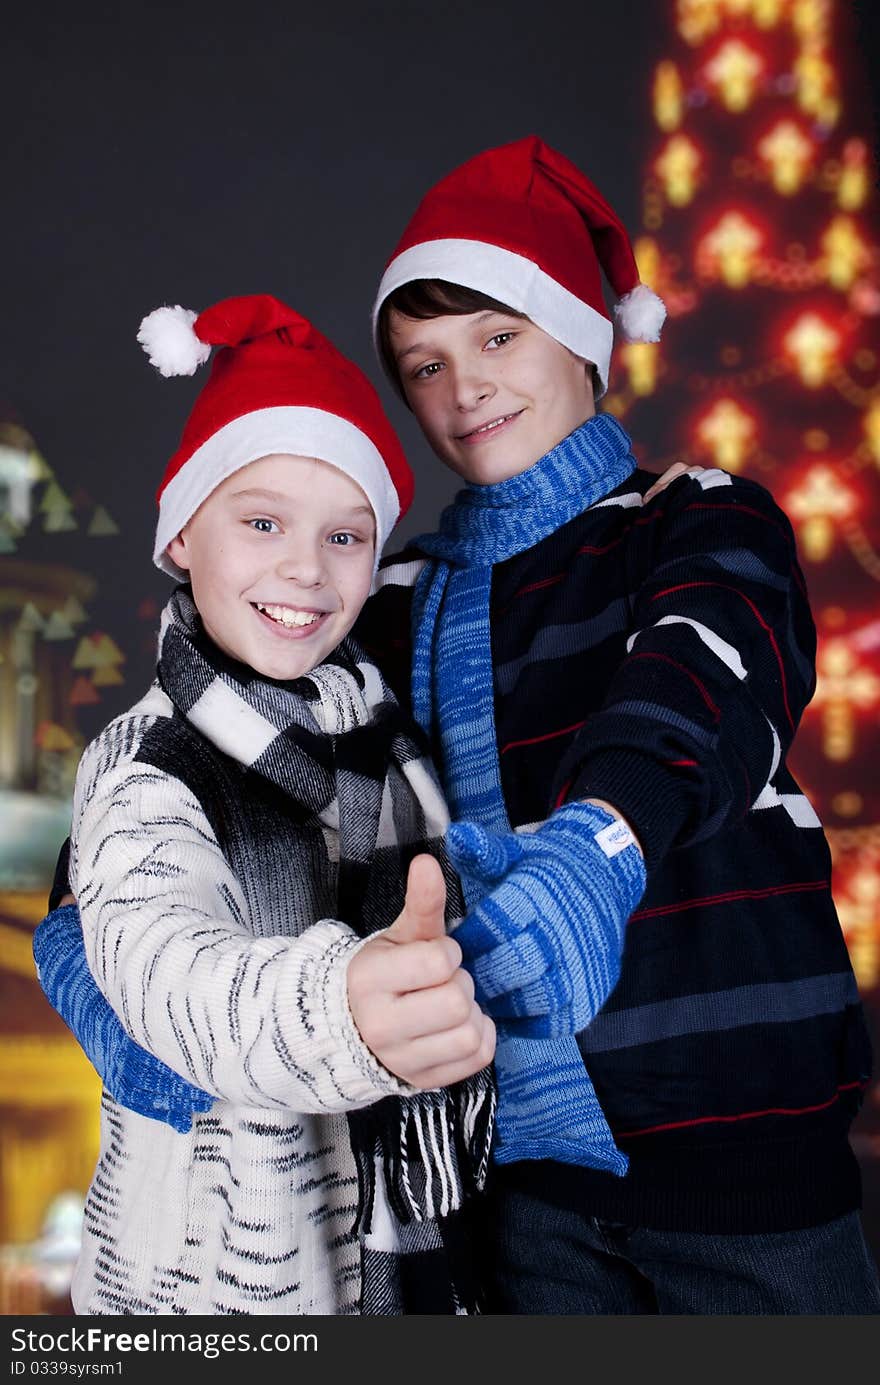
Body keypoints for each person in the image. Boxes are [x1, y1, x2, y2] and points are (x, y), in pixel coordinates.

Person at [37, 135, 880, 1314]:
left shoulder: (696, 518)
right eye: (422, 363)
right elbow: (184, 775)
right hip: (499, 1186)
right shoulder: (383, 600)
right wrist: (99, 981)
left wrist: (597, 850)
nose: (464, 386)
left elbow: (702, 680)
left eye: (498, 337)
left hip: (737, 1160)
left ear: (583, 336)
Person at [32, 292, 496, 1317]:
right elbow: (170, 971)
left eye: (344, 534)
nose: (304, 566)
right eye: (261, 521)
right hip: (209, 1279)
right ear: (181, 538)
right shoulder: (150, 756)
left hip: (393, 1253)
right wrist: (344, 1008)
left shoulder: (389, 743)